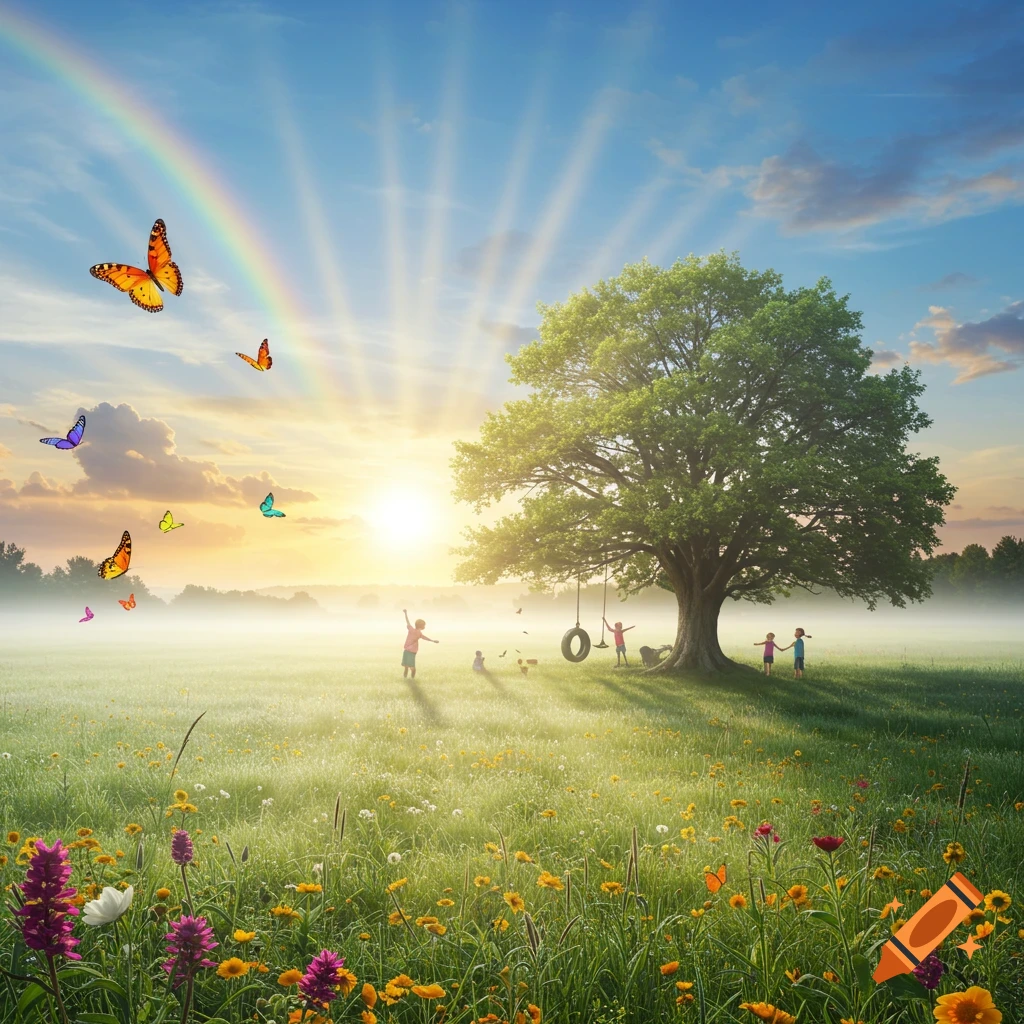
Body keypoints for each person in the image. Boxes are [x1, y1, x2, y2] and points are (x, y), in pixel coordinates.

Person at [401, 609, 438, 678]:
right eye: (424, 625)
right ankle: (412, 679)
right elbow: (425, 638)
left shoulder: (411, 629)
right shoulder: (419, 633)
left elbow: (407, 621)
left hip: (406, 651)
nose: (425, 626)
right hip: (412, 652)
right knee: (412, 667)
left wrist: (405, 613)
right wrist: (432, 640)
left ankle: (405, 679)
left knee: (406, 667)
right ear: (422, 626)